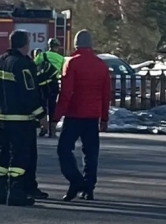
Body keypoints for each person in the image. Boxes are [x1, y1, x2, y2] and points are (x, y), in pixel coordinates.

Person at [0, 30, 47, 206]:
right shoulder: (22, 64)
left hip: (2, 118)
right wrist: (41, 115)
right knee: (19, 158)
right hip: (21, 119)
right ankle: (16, 194)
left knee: (2, 155)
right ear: (25, 44)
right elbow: (29, 93)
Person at [52, 29, 110, 202]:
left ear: (76, 44)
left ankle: (76, 180)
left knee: (64, 149)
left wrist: (56, 116)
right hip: (92, 116)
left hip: (74, 114)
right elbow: (106, 95)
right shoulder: (101, 65)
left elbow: (66, 93)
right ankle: (89, 187)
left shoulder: (72, 63)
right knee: (91, 152)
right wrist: (104, 118)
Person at [33, 47, 60, 138]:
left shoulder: (35, 65)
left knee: (43, 108)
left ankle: (44, 128)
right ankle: (52, 130)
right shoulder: (53, 62)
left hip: (42, 88)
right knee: (52, 108)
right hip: (52, 86)